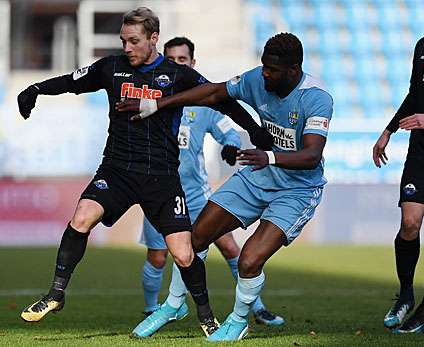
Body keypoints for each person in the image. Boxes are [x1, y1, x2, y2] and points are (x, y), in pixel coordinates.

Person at [15, 7, 273, 337]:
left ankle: (206, 316)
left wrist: (255, 129)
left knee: (182, 253)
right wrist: (35, 89)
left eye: (133, 41)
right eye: (123, 41)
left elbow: (219, 98)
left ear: (153, 39)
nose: (127, 48)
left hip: (162, 178)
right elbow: (71, 82)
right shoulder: (111, 68)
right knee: (81, 218)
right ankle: (55, 294)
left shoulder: (176, 74)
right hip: (118, 170)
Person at [118, 32, 332, 341]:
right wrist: (159, 103)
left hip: (296, 189)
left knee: (248, 259)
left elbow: (312, 155)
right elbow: (213, 94)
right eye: (264, 66)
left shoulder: (316, 97)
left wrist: (269, 156)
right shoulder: (257, 79)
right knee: (196, 237)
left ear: (293, 69)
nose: (265, 74)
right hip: (258, 174)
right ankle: (174, 304)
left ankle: (239, 319)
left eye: (272, 69)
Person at [138, 36, 285, 328]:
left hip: (195, 196)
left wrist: (230, 147)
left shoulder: (202, 104)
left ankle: (258, 307)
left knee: (230, 247)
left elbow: (226, 131)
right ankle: (151, 307)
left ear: (192, 64)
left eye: (183, 60)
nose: (177, 65)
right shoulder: (152, 102)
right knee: (157, 257)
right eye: (171, 60)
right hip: (159, 193)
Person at [372, 0, 424, 334]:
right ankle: (405, 293)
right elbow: (414, 95)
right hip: (421, 154)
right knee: (410, 223)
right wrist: (389, 129)